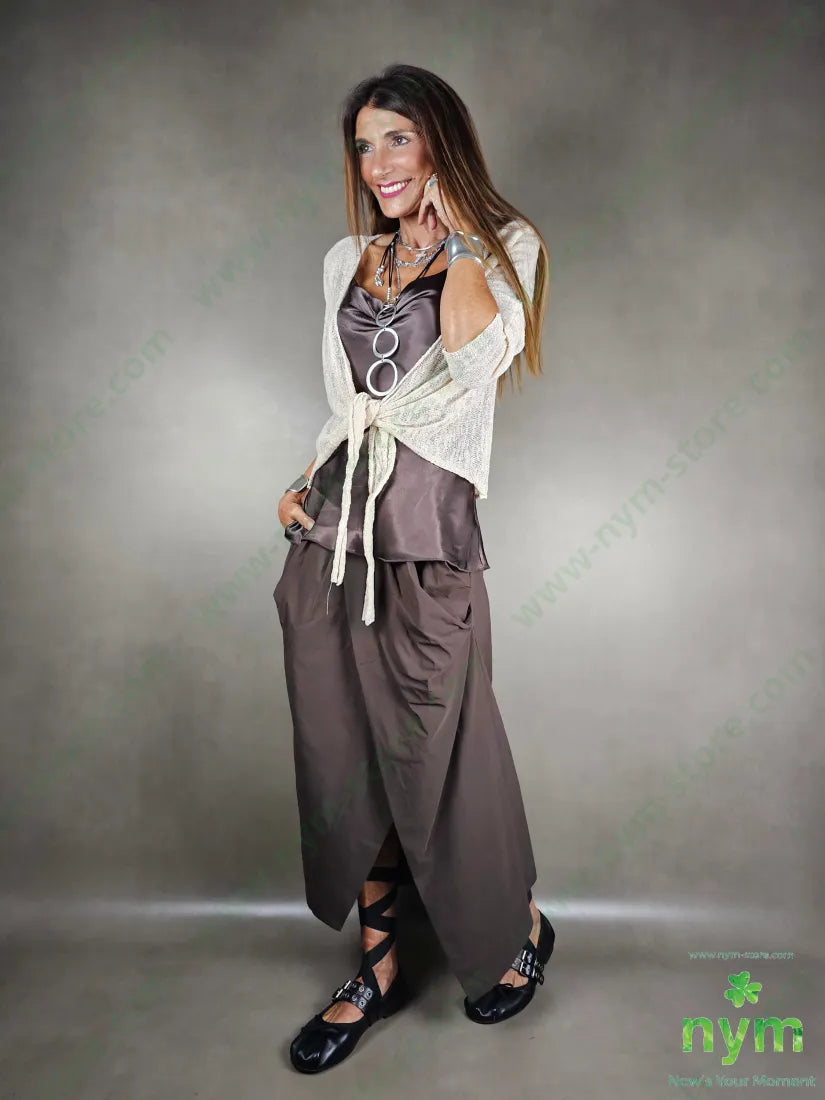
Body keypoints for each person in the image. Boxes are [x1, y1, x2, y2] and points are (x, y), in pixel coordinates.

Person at [273, 63, 554, 1075]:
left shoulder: (506, 249)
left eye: (397, 138)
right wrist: (304, 477)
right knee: (342, 750)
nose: (377, 163)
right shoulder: (344, 259)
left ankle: (511, 924)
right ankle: (378, 964)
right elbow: (353, 401)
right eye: (364, 145)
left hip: (429, 538)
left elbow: (477, 364)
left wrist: (461, 241)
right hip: (334, 540)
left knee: (446, 749)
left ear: (439, 142)